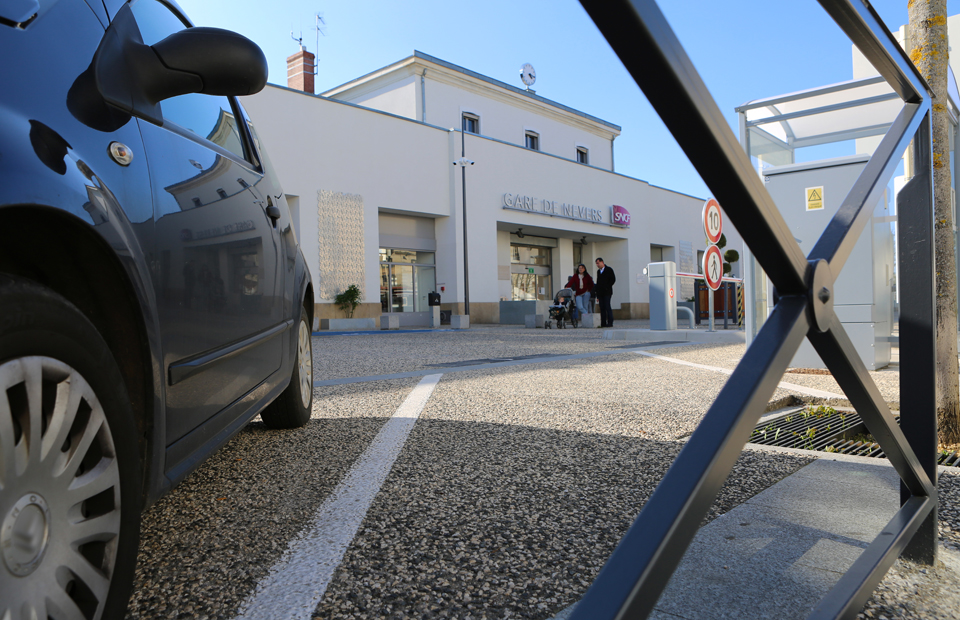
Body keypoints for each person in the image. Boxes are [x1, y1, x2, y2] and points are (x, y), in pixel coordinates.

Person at [595, 257, 616, 328]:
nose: (597, 265)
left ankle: (610, 322)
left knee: (607, 306)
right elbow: (598, 282)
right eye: (596, 264)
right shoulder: (598, 272)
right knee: (602, 307)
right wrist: (597, 294)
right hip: (600, 292)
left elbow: (613, 279)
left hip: (607, 292)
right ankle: (603, 322)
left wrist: (607, 287)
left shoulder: (609, 270)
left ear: (602, 262)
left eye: (598, 263)